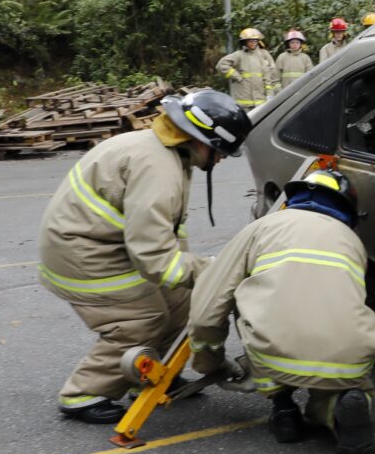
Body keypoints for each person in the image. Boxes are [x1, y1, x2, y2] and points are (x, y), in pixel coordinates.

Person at [37, 90, 252, 423]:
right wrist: (211, 270)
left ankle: (152, 373)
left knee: (181, 303)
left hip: (107, 246)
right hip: (83, 256)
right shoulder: (159, 169)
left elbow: (167, 232)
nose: (222, 159)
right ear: (202, 140)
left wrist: (192, 277)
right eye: (221, 150)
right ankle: (84, 393)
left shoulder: (168, 151)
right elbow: (154, 258)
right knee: (140, 321)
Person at [187, 169, 375, 454]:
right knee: (334, 345)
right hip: (351, 357)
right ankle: (335, 410)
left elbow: (206, 310)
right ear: (345, 207)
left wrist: (209, 361)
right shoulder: (352, 242)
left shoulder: (262, 228)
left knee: (252, 299)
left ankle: (282, 408)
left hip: (274, 354)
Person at [216, 27, 280, 108]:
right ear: (244, 42)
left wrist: (270, 94)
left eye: (255, 40)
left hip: (260, 101)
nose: (253, 43)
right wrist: (237, 76)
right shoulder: (239, 55)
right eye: (250, 41)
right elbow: (221, 65)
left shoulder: (263, 55)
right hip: (243, 101)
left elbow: (269, 76)